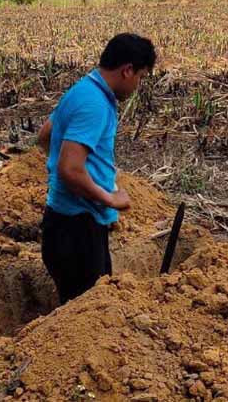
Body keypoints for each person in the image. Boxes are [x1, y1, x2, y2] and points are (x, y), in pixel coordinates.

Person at [36, 33, 156, 303]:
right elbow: (70, 169)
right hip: (77, 231)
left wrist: (68, 168)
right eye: (140, 77)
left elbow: (46, 135)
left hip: (67, 224)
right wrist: (109, 198)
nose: (138, 86)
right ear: (127, 70)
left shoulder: (83, 90)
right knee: (87, 313)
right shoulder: (95, 104)